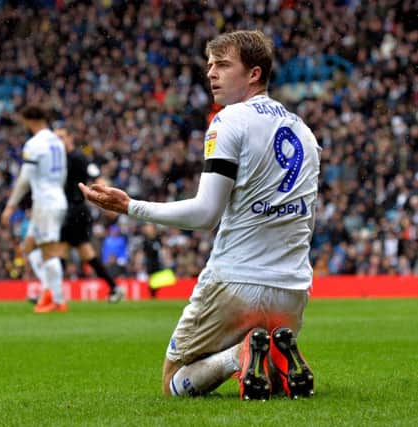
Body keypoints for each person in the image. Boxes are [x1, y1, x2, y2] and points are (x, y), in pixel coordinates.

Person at [80, 30, 319, 400]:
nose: (211, 74)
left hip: (236, 280)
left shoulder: (229, 120)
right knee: (265, 378)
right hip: (293, 289)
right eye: (209, 65)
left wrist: (130, 206)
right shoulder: (304, 131)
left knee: (174, 381)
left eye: (223, 65)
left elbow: (205, 214)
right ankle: (274, 358)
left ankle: (238, 355)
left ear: (254, 74)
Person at [1, 105, 68, 313]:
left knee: (48, 251)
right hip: (55, 197)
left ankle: (57, 300)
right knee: (28, 247)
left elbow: (24, 179)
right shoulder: (57, 141)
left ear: (28, 120)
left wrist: (10, 206)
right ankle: (49, 291)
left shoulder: (34, 144)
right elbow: (63, 173)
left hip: (46, 202)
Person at [52, 122, 125, 302]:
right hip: (69, 210)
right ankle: (115, 288)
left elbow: (97, 177)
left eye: (61, 137)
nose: (58, 141)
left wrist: (109, 202)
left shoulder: (79, 157)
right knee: (85, 254)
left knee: (60, 251)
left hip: (76, 210)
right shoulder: (59, 159)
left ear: (70, 138)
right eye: (56, 138)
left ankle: (52, 294)